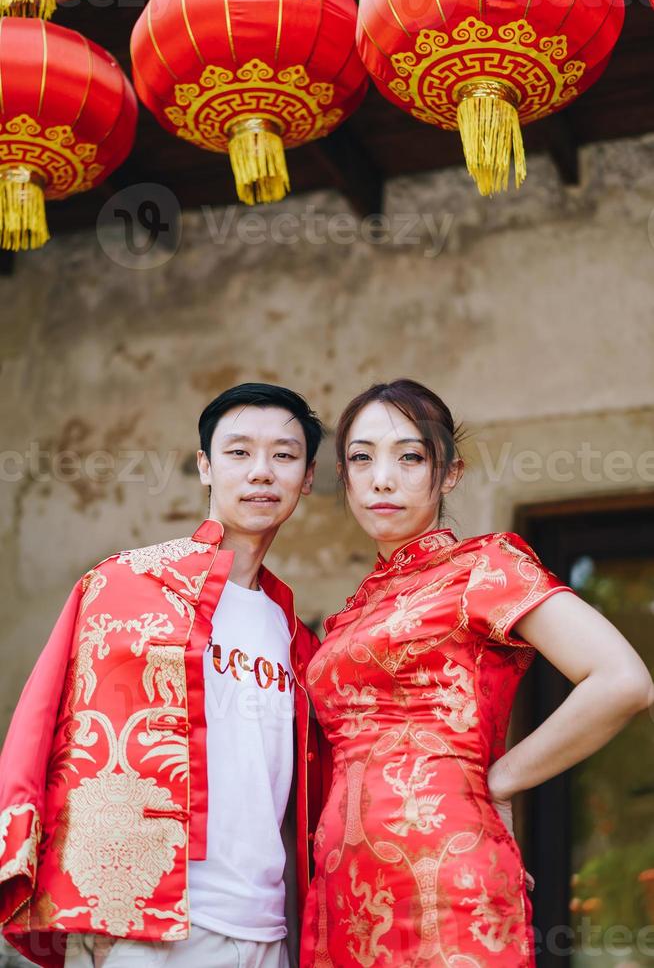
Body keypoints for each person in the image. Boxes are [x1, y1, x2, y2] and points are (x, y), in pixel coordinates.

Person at [299, 378, 654, 968]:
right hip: (346, 885)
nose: (382, 478)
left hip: (449, 873)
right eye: (361, 458)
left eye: (410, 457)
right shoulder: (353, 614)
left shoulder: (484, 568)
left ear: (450, 473)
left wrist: (501, 780)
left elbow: (622, 679)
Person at [0, 383, 331, 968]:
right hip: (150, 926)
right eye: (237, 453)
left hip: (269, 928)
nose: (261, 472)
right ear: (204, 466)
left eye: (284, 455)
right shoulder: (125, 587)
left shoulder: (301, 642)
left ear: (306, 477)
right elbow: (41, 730)